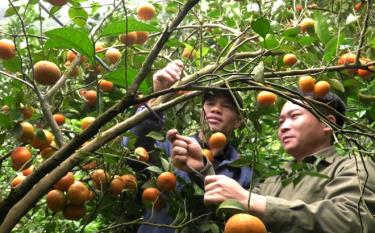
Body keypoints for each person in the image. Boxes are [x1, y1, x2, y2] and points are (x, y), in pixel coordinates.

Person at [171, 91, 375, 233]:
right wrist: (201, 169)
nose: (284, 127)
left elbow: (353, 222)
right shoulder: (273, 180)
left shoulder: (353, 166)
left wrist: (254, 202)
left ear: (327, 123)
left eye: (294, 116)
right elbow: (238, 216)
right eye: (280, 122)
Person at [123, 60, 252, 233]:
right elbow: (132, 148)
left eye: (227, 106)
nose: (216, 109)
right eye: (210, 103)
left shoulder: (242, 170)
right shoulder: (173, 146)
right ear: (201, 111)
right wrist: (158, 98)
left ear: (238, 121)